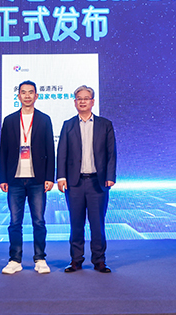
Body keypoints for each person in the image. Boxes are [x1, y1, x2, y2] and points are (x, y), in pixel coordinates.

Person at [57, 85, 117, 273]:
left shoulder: (105, 124)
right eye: (79, 98)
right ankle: (76, 260)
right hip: (74, 183)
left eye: (86, 98)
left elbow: (111, 153)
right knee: (76, 223)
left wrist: (110, 176)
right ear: (75, 102)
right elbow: (62, 153)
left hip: (97, 182)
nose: (82, 101)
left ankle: (99, 260)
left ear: (93, 101)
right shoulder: (68, 125)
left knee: (97, 224)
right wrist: (61, 177)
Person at [0, 80, 55, 274]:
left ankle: (40, 259)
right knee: (15, 222)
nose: (27, 96)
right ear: (18, 96)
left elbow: (50, 149)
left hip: (37, 179)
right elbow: (3, 151)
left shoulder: (44, 119)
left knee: (38, 221)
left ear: (36, 96)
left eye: (31, 92)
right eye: (24, 92)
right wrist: (2, 178)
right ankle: (15, 260)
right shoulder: (9, 120)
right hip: (14, 179)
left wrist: (50, 177)